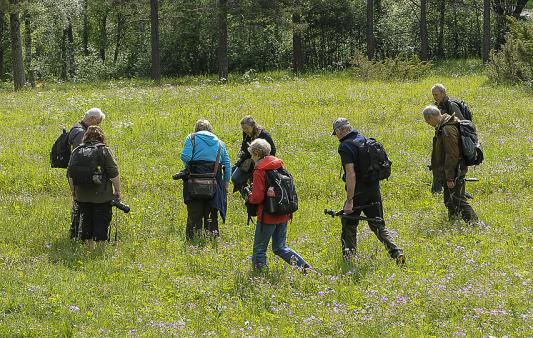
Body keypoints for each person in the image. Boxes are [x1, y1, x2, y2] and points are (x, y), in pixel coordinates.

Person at [332, 118, 404, 264]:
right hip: (374, 189)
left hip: (359, 192)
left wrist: (349, 200)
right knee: (377, 223)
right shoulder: (364, 139)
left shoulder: (345, 147)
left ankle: (349, 259)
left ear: (340, 131)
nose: (336, 136)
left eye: (336, 133)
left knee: (349, 223)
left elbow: (351, 174)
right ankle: (396, 252)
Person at [246, 139, 311, 270]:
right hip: (284, 213)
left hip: (267, 216)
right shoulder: (278, 165)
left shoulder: (260, 170)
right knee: (280, 247)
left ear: (257, 153)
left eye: (252, 155)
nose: (252, 158)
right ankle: (305, 268)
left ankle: (260, 276)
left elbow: (257, 198)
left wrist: (249, 196)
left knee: (259, 249)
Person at [422, 106, 480, 225]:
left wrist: (450, 177)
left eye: (427, 121)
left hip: (454, 171)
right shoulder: (445, 125)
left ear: (431, 117)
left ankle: (476, 224)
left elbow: (452, 154)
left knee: (458, 200)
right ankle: (453, 223)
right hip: (453, 170)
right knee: (449, 200)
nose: (428, 124)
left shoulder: (447, 129)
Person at [67, 126, 122, 249]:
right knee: (101, 220)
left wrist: (73, 191)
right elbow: (113, 173)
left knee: (86, 220)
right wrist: (117, 190)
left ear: (85, 136)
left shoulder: (77, 150)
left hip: (82, 195)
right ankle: (100, 247)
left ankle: (89, 246)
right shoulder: (104, 150)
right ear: (101, 137)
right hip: (102, 196)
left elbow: (71, 174)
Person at [181, 119, 231, 240]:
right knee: (211, 213)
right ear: (210, 130)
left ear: (196, 129)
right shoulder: (220, 143)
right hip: (214, 184)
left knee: (194, 212)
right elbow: (227, 164)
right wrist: (226, 183)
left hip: (193, 182)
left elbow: (185, 157)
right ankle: (212, 237)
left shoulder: (191, 138)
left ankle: (193, 238)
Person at [68, 108, 106, 239]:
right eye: (98, 123)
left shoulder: (76, 127)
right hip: (81, 176)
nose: (98, 126)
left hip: (76, 174)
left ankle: (77, 234)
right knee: (81, 205)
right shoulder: (80, 133)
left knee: (80, 204)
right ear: (93, 119)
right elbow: (82, 157)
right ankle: (76, 234)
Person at [232, 116, 276, 194]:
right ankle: (246, 195)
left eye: (246, 128)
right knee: (235, 177)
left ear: (253, 126)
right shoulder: (246, 134)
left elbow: (272, 150)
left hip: (261, 164)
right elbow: (245, 146)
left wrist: (263, 162)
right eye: (243, 129)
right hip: (248, 160)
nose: (245, 131)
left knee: (255, 183)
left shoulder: (264, 135)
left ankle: (252, 197)